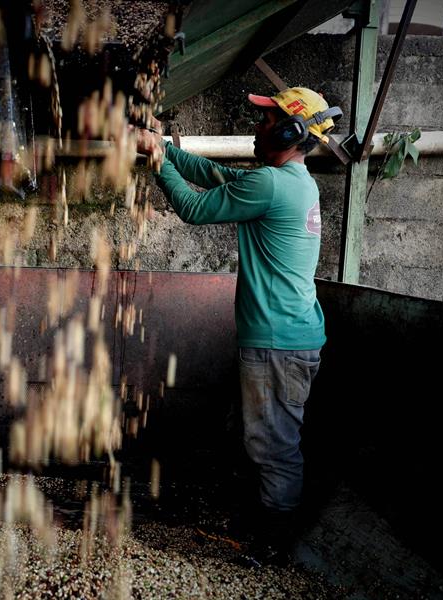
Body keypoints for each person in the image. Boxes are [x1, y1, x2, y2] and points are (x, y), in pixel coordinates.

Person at [136, 87, 341, 558]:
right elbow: (216, 175)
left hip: (278, 341)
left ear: (292, 131)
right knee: (264, 438)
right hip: (290, 336)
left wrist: (154, 159)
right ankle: (262, 522)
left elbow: (193, 207)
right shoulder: (291, 181)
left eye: (268, 122)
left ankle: (273, 544)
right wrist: (165, 147)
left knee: (273, 446)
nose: (257, 127)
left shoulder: (271, 185)